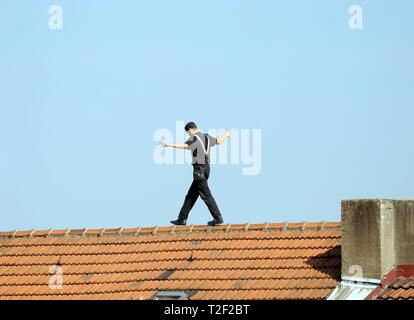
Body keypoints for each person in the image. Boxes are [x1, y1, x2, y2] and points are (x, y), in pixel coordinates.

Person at [160, 122, 231, 226]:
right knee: (191, 195)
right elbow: (219, 141)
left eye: (188, 133)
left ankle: (218, 218)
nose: (189, 135)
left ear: (190, 129)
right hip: (206, 169)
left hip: (199, 170)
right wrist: (226, 134)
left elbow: (185, 145)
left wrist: (170, 145)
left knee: (206, 195)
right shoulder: (207, 136)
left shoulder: (194, 137)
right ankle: (182, 218)